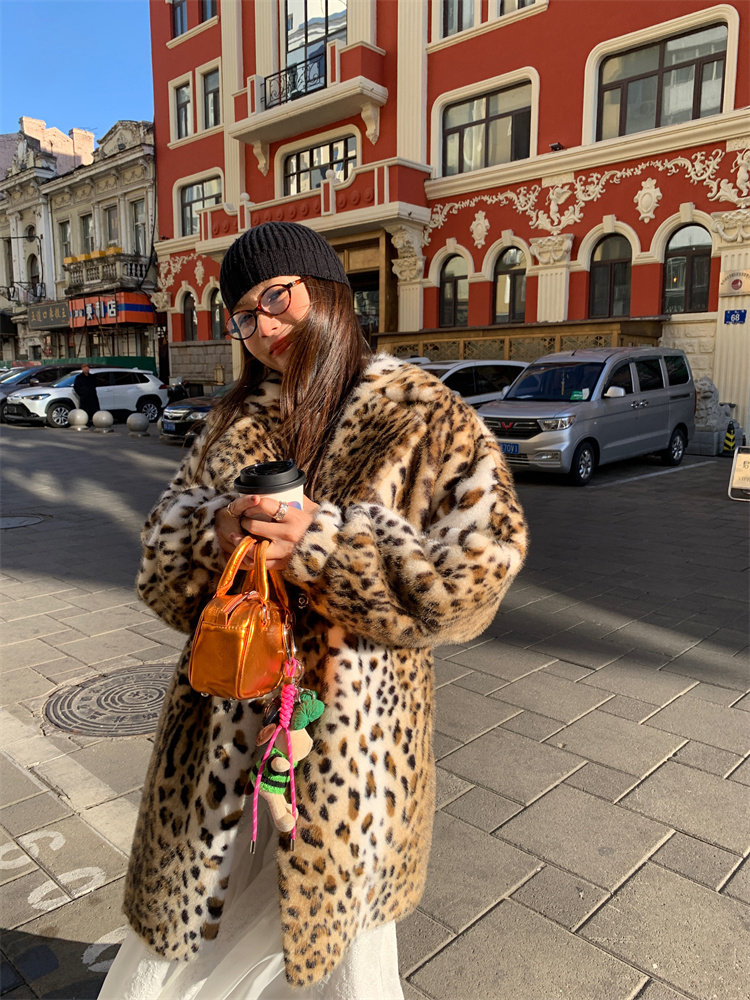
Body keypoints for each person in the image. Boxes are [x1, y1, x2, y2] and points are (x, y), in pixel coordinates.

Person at [100, 222, 527, 999]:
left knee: (349, 954)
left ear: (327, 293)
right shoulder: (233, 420)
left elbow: (475, 578)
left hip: (354, 752)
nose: (262, 327)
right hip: (221, 729)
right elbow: (159, 566)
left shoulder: (423, 414)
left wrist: (325, 547)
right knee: (181, 928)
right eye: (243, 315)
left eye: (275, 297)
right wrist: (212, 532)